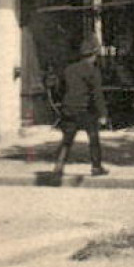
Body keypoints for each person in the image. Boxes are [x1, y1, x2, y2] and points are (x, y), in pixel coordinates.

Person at [52, 42, 109, 180]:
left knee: (67, 140)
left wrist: (64, 103)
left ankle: (58, 168)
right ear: (93, 55)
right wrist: (103, 114)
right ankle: (96, 167)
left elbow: (60, 89)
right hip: (86, 109)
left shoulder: (69, 69)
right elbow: (97, 95)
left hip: (69, 109)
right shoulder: (93, 71)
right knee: (93, 138)